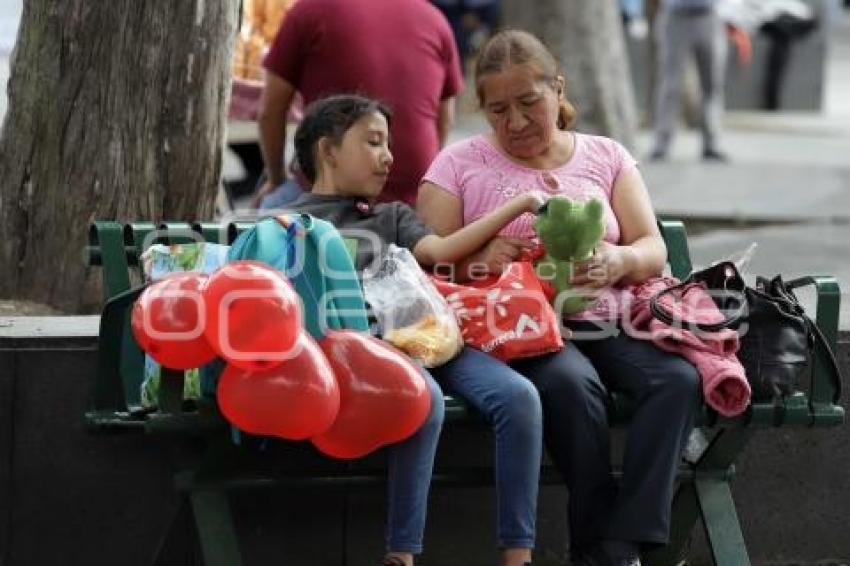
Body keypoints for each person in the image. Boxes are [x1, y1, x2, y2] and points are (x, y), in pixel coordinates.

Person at [418, 30, 701, 566]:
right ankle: (596, 542)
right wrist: (485, 254)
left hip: (612, 318)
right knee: (574, 387)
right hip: (524, 329)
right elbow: (429, 263)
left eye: (530, 102)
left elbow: (651, 247)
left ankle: (619, 542)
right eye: (499, 110)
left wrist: (618, 261)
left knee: (676, 381)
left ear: (558, 89)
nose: (517, 122)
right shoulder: (458, 164)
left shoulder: (606, 156)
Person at [289, 93, 547, 566]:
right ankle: (402, 554)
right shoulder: (290, 225)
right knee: (422, 399)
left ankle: (518, 555)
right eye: (372, 142)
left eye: (388, 144)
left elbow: (443, 252)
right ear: (327, 150)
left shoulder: (391, 216)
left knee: (520, 398)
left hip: (433, 338)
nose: (388, 157)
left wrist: (517, 207)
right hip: (365, 354)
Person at [254, 0, 463, 209]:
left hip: (332, 199)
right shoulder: (435, 19)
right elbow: (445, 119)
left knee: (260, 216)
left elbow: (269, 112)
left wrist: (276, 178)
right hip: (415, 197)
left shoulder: (309, 11)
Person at [649, 0, 729, 161]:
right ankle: (661, 143)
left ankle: (711, 144)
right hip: (675, 16)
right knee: (670, 84)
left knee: (712, 84)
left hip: (708, 15)